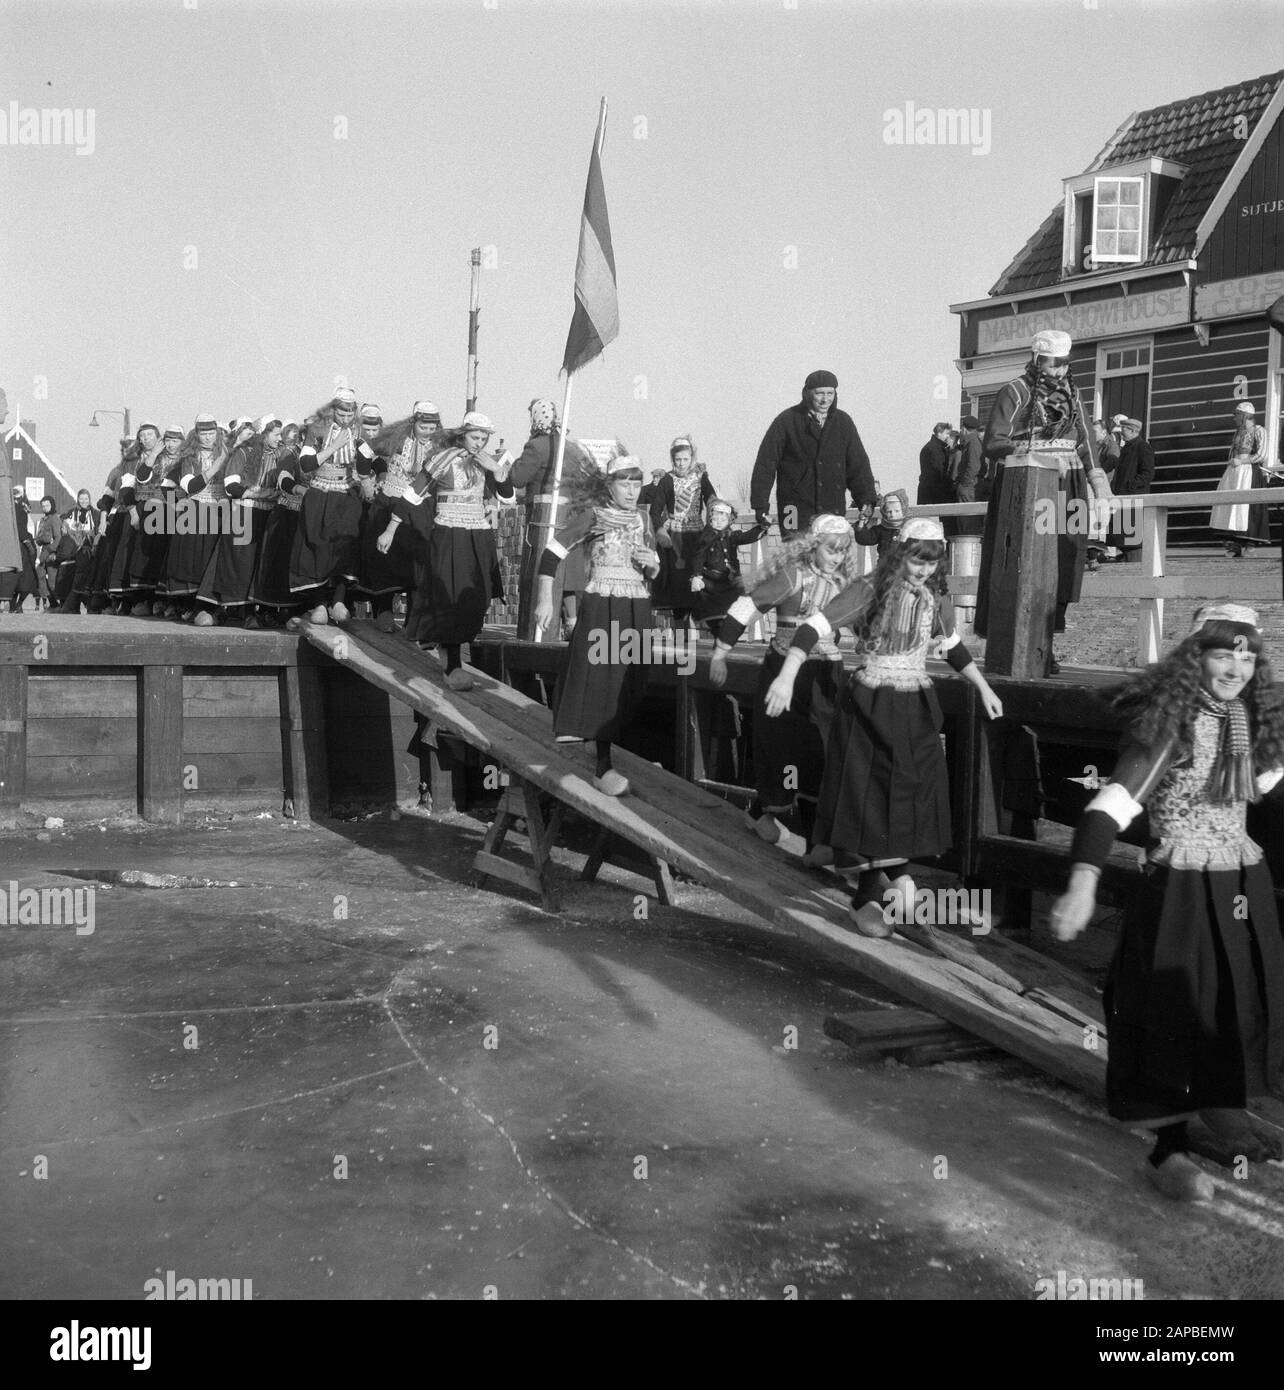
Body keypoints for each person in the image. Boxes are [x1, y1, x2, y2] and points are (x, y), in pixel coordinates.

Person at [1050, 604, 1284, 1200]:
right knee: (1171, 1011)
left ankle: (1222, 1103)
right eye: (1223, 653)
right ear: (1195, 657)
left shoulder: (1245, 718)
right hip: (1181, 883)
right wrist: (1082, 881)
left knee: (1238, 997)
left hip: (1239, 876)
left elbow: (1262, 784)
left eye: (1247, 655)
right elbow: (1111, 806)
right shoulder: (1171, 724)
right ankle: (1166, 1150)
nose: (1236, 666)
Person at [764, 518, 1003, 930]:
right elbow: (811, 628)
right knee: (872, 792)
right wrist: (786, 676)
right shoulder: (869, 589)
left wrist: (983, 687)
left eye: (931, 563)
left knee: (914, 787)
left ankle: (901, 873)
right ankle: (866, 897)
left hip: (915, 703)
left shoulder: (934, 596)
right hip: (872, 702)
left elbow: (951, 647)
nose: (924, 569)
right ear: (899, 553)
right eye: (916, 560)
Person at [709, 514, 861, 859]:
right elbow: (748, 607)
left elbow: (863, 619)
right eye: (830, 549)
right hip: (784, 670)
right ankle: (766, 816)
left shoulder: (844, 582)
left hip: (824, 672)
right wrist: (720, 653)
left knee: (821, 747)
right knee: (780, 744)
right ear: (813, 545)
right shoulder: (794, 576)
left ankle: (817, 842)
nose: (836, 557)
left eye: (842, 551)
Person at [975, 329, 1112, 675]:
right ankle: (1014, 643)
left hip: (1069, 484)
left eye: (1064, 364)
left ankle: (1044, 645)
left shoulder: (1074, 393)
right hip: (1026, 486)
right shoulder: (1015, 391)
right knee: (1025, 562)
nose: (1059, 371)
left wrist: (1100, 484)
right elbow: (993, 442)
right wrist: (1030, 452)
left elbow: (1088, 446)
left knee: (1065, 561)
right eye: (1052, 364)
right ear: (1038, 361)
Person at [533, 455, 660, 796]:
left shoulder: (644, 519)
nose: (632, 492)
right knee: (605, 676)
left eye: (636, 484)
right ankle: (602, 767)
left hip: (637, 604)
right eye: (624, 484)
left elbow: (651, 566)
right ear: (609, 485)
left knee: (635, 675)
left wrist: (653, 565)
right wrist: (546, 598)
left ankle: (610, 747)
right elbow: (551, 552)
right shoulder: (594, 516)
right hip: (604, 604)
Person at [377, 410, 513, 690]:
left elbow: (508, 498)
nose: (479, 443)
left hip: (478, 535)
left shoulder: (487, 463)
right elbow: (412, 495)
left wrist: (498, 472)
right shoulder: (442, 459)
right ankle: (452, 663)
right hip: (449, 535)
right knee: (450, 595)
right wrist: (391, 528)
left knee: (477, 597)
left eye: (484, 438)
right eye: (475, 437)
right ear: (463, 434)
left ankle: (449, 650)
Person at [750, 369, 876, 538]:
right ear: (808, 393)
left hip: (832, 505)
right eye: (820, 393)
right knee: (795, 553)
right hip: (792, 508)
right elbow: (765, 465)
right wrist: (760, 505)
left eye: (830, 393)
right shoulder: (786, 421)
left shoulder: (843, 422)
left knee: (830, 555)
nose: (825, 399)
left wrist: (866, 499)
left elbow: (858, 465)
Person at [290, 387, 379, 624]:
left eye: (350, 415)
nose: (347, 419)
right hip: (320, 490)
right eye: (342, 414)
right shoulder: (317, 429)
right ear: (333, 410)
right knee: (317, 545)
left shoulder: (360, 432)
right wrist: (335, 445)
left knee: (347, 543)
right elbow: (306, 465)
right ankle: (319, 603)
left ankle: (338, 601)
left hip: (347, 491)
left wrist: (369, 467)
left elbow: (365, 465)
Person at [510, 398, 595, 636]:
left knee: (545, 569)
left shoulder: (537, 446)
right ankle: (572, 623)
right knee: (568, 573)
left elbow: (517, 478)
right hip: (572, 518)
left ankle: (540, 629)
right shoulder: (574, 448)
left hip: (545, 520)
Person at [357, 401, 439, 632]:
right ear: (414, 423)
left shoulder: (438, 446)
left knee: (418, 561)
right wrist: (366, 482)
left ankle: (415, 618)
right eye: (424, 427)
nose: (428, 432)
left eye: (432, 428)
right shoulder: (396, 437)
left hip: (421, 507)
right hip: (389, 502)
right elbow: (365, 452)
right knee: (385, 558)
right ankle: (383, 612)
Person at [196, 415, 282, 625]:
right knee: (238, 564)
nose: (280, 438)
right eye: (276, 434)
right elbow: (230, 487)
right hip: (243, 513)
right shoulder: (243, 453)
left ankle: (253, 612)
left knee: (257, 565)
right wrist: (259, 494)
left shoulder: (280, 455)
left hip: (266, 515)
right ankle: (223, 610)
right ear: (264, 434)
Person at [159, 414, 232, 622]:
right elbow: (189, 486)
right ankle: (193, 605)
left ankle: (213, 606)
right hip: (197, 509)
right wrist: (217, 465)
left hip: (221, 510)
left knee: (216, 559)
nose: (208, 438)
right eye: (204, 433)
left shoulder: (227, 453)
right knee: (194, 559)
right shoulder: (190, 457)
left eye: (211, 433)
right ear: (196, 435)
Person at [650, 435, 716, 628]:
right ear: (673, 460)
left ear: (692, 459)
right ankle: (682, 633)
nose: (681, 464)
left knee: (701, 579)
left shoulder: (701, 478)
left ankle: (707, 631)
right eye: (678, 460)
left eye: (685, 459)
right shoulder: (666, 480)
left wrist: (720, 514)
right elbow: (655, 510)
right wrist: (661, 531)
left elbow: (710, 500)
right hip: (675, 539)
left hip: (696, 536)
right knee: (678, 585)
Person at [249, 422, 307, 626]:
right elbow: (284, 479)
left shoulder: (324, 454)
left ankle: (296, 610)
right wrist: (302, 491)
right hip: (287, 514)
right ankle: (268, 610)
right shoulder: (290, 453)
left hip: (308, 516)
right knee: (278, 563)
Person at [689, 498, 768, 637]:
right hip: (711, 582)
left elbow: (747, 537)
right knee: (715, 616)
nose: (719, 522)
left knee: (736, 612)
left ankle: (726, 635)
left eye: (723, 519)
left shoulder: (732, 536)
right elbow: (698, 556)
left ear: (729, 521)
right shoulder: (705, 537)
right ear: (710, 519)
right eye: (716, 519)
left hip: (730, 582)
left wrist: (762, 527)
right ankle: (718, 636)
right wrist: (696, 575)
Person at [1210, 402, 1270, 558]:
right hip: (1234, 472)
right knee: (1231, 506)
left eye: (1236, 415)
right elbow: (1233, 452)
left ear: (1244, 415)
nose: (1234, 418)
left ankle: (1250, 546)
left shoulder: (1259, 431)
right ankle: (1234, 544)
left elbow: (1262, 455)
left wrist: (1242, 461)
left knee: (1246, 507)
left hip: (1249, 472)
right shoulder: (1238, 432)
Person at [1107, 418, 1155, 564]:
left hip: (1133, 498)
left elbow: (1148, 473)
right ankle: (1128, 558)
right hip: (1123, 497)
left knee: (1131, 534)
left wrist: (1130, 486)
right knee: (1121, 533)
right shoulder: (1127, 447)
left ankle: (1134, 562)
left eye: (1124, 430)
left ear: (1133, 431)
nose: (1122, 433)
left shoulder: (1142, 447)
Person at [56, 490, 100, 612]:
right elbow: (64, 529)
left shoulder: (95, 514)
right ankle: (73, 607)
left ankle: (88, 605)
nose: (84, 501)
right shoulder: (71, 513)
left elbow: (97, 532)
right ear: (78, 499)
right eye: (81, 498)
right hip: (72, 552)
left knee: (85, 579)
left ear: (90, 499)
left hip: (88, 552)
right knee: (71, 578)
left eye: (86, 498)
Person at [952, 415, 986, 537]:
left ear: (964, 429)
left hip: (969, 487)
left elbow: (973, 466)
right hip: (971, 486)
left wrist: (964, 484)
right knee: (966, 522)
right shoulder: (974, 442)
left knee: (967, 523)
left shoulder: (972, 443)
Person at [852, 488, 908, 560]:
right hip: (884, 567)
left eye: (897, 511)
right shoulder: (881, 529)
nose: (893, 514)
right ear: (884, 511)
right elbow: (865, 539)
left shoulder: (910, 527)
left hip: (904, 567)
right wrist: (862, 522)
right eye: (889, 511)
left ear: (903, 509)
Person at [917, 422, 955, 514]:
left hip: (930, 491)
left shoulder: (934, 447)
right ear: (939, 433)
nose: (948, 437)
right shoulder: (934, 449)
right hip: (933, 493)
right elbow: (939, 471)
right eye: (947, 433)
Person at [34, 496, 63, 610]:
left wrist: (51, 550)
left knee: (52, 580)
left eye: (47, 505)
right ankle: (51, 602)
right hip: (43, 549)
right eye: (43, 506)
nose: (45, 508)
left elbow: (58, 537)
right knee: (40, 574)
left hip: (51, 552)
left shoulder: (55, 519)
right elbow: (39, 537)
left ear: (52, 505)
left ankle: (59, 603)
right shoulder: (43, 520)